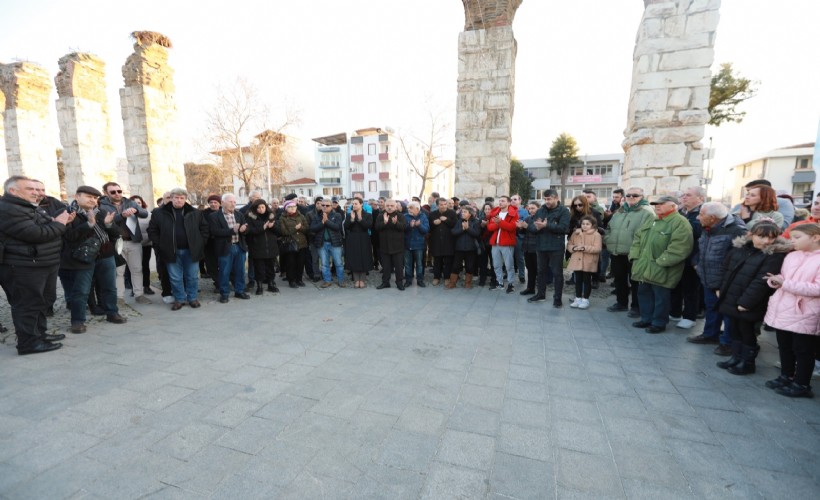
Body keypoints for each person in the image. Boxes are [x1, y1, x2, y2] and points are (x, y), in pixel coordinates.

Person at [0, 176, 71, 355]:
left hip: (40, 263)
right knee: (27, 305)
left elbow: (46, 227)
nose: (36, 193)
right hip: (23, 266)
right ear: (13, 191)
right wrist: (60, 223)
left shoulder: (27, 207)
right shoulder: (7, 209)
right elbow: (37, 234)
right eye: (30, 189)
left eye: (37, 189)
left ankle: (40, 335)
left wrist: (56, 223)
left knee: (40, 302)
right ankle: (28, 343)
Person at [716, 221, 789, 375]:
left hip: (750, 301)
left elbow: (761, 282)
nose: (766, 241)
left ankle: (747, 363)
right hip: (732, 296)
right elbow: (726, 268)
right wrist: (719, 288)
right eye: (761, 236)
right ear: (751, 234)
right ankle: (736, 357)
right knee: (734, 328)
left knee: (746, 331)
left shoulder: (774, 255)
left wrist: (746, 302)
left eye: (771, 237)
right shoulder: (740, 249)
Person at [59, 185, 126, 334]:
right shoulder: (68, 213)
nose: (92, 200)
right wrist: (88, 225)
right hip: (82, 259)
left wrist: (109, 224)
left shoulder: (101, 212)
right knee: (81, 291)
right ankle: (77, 321)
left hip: (106, 256)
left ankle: (112, 313)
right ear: (77, 197)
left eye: (95, 198)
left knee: (109, 287)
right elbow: (68, 238)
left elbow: (117, 234)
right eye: (89, 197)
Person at [762, 224, 819, 397]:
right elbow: (784, 278)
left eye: (797, 237)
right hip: (783, 308)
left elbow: (817, 288)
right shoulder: (792, 256)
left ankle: (802, 384)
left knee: (803, 350)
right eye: (791, 237)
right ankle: (786, 376)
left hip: (805, 311)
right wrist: (775, 281)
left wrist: (785, 284)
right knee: (785, 346)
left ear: (815, 237)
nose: (792, 241)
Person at [688, 202, 747, 354]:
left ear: (713, 218)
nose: (698, 218)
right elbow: (700, 248)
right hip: (708, 277)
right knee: (711, 308)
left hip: (726, 281)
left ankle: (727, 343)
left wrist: (726, 281)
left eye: (701, 214)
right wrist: (696, 263)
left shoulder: (736, 230)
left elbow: (739, 259)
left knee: (728, 313)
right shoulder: (707, 228)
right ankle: (710, 335)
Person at [628, 195, 693, 334]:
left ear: (673, 206)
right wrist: (635, 256)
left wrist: (660, 262)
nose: (657, 206)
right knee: (644, 293)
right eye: (656, 204)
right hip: (644, 265)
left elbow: (680, 248)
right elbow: (638, 238)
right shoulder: (653, 219)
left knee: (660, 297)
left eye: (661, 204)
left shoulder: (680, 222)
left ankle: (658, 322)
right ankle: (646, 318)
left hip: (662, 267)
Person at [147, 187, 210, 310]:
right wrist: (161, 245)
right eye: (176, 197)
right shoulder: (159, 213)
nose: (179, 200)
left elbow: (204, 229)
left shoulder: (195, 212)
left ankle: (192, 298)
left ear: (185, 199)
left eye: (182, 198)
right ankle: (179, 299)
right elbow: (152, 231)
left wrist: (200, 243)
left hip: (191, 251)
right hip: (171, 251)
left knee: (192, 276)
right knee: (175, 277)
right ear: (171, 198)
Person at [604, 187, 655, 315]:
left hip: (635, 254)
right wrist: (608, 239)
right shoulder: (620, 211)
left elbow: (647, 234)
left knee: (636, 282)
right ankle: (621, 303)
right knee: (619, 280)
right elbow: (609, 228)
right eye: (629, 195)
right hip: (617, 252)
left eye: (635, 195)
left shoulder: (647, 212)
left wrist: (638, 251)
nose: (631, 197)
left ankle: (636, 307)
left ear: (642, 197)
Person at [99, 182, 151, 305]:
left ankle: (139, 294)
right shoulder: (102, 206)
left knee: (137, 269)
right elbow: (106, 222)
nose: (117, 194)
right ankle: (119, 297)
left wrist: (136, 210)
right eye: (113, 192)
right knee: (118, 272)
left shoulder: (130, 202)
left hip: (133, 241)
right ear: (106, 193)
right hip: (116, 242)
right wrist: (121, 215)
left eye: (119, 191)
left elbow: (144, 213)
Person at [669, 186, 704, 329]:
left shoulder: (703, 212)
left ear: (700, 198)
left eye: (688, 195)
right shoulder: (682, 212)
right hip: (678, 255)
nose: (684, 197)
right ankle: (674, 312)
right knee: (675, 285)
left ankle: (690, 316)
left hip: (693, 256)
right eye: (683, 195)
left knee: (690, 288)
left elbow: (695, 232)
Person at [527, 190, 569, 306]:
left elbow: (564, 228)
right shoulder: (540, 210)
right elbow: (532, 227)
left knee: (557, 273)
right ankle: (540, 294)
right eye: (545, 199)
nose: (547, 202)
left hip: (556, 247)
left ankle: (557, 298)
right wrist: (537, 228)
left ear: (556, 198)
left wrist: (547, 225)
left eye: (549, 199)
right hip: (541, 246)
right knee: (541, 272)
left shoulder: (564, 211)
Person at [244, 198, 280, 295]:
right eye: (259, 207)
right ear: (255, 208)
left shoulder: (271, 216)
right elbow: (250, 231)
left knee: (270, 268)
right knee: (259, 268)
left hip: (270, 247)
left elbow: (279, 231)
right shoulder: (250, 217)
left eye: (263, 207)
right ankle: (259, 286)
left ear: (266, 207)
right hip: (257, 247)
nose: (261, 209)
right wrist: (262, 227)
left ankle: (271, 284)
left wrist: (273, 227)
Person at [567, 215, 602, 309]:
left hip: (588, 261)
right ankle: (578, 298)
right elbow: (570, 244)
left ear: (593, 225)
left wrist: (584, 248)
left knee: (586, 280)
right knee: (577, 280)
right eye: (583, 224)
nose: (585, 226)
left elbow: (597, 248)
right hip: (577, 260)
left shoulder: (596, 235)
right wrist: (573, 248)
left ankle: (585, 299)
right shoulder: (576, 233)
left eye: (587, 224)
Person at [487, 196, 520, 293]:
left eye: (503, 201)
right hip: (495, 243)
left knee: (509, 265)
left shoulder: (514, 214)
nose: (500, 202)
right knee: (496, 265)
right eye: (499, 201)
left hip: (507, 243)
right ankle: (499, 282)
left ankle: (511, 284)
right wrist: (499, 224)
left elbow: (511, 227)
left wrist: (500, 222)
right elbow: (489, 227)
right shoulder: (495, 213)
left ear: (509, 203)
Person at [310, 197, 345, 288]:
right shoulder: (317, 216)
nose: (325, 207)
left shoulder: (337, 215)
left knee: (338, 263)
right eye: (323, 205)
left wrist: (326, 221)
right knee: (325, 264)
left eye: (327, 205)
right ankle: (327, 280)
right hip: (322, 243)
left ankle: (341, 280)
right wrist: (322, 223)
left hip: (335, 243)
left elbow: (337, 227)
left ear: (331, 206)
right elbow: (312, 228)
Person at [375, 199, 406, 290]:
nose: (389, 207)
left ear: (396, 207)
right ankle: (385, 282)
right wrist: (384, 223)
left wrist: (396, 223)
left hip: (398, 246)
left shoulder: (400, 216)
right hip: (385, 246)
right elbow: (377, 228)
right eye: (388, 205)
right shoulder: (380, 216)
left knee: (399, 266)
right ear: (385, 206)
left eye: (392, 206)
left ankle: (399, 282)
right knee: (386, 267)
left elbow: (403, 228)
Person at [277, 200, 310, 288]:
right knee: (290, 263)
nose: (293, 209)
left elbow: (307, 228)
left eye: (294, 207)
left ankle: (299, 279)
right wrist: (295, 228)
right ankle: (291, 281)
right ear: (286, 208)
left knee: (300, 263)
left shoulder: (301, 216)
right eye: (290, 207)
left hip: (302, 243)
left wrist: (300, 228)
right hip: (290, 244)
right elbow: (283, 232)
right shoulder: (282, 218)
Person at [344, 197, 374, 288]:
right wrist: (352, 220)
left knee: (364, 258)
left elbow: (369, 226)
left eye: (356, 203)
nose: (354, 205)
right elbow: (346, 227)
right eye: (353, 204)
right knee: (355, 258)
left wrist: (360, 219)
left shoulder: (367, 215)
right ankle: (356, 280)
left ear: (361, 204)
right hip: (353, 238)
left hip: (364, 238)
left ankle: (362, 280)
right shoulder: (350, 215)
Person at [448, 205, 480, 289]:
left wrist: (468, 228)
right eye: (462, 212)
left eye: (465, 212)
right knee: (455, 266)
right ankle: (452, 283)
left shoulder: (476, 222)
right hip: (459, 248)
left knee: (469, 266)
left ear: (470, 213)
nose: (462, 213)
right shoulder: (459, 221)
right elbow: (453, 232)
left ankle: (468, 283)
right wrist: (462, 229)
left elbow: (477, 234)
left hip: (471, 248)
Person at [129, 195, 155, 296]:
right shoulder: (128, 215)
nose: (137, 205)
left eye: (139, 203)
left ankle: (146, 286)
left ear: (142, 203)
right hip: (132, 245)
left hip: (146, 245)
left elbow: (152, 229)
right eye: (134, 203)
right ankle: (134, 288)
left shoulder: (148, 215)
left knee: (145, 266)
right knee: (133, 267)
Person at [428, 198, 457, 286]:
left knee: (448, 261)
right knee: (437, 261)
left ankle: (447, 278)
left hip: (448, 241)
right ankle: (436, 277)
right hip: (436, 241)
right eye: (441, 204)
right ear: (437, 205)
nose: (443, 206)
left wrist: (446, 220)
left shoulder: (452, 213)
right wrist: (433, 223)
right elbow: (428, 227)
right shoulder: (432, 214)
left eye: (445, 204)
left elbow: (455, 225)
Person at [403, 200, 429, 288]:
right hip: (407, 244)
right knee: (407, 264)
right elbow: (402, 229)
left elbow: (426, 230)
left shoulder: (423, 216)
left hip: (419, 245)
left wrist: (419, 225)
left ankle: (420, 280)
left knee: (419, 264)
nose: (409, 210)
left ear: (417, 209)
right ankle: (408, 280)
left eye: (411, 208)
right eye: (408, 208)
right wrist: (409, 226)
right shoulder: (405, 216)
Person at [517, 201, 540, 295]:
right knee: (530, 269)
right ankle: (530, 288)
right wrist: (520, 228)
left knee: (539, 271)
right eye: (529, 208)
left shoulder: (541, 219)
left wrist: (527, 226)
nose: (530, 210)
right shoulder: (527, 218)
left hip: (537, 248)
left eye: (533, 208)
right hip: (527, 247)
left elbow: (536, 231)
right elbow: (522, 233)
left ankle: (541, 291)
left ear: (538, 208)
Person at [201, 195, 222, 291]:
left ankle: (224, 281)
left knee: (224, 264)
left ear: (219, 203)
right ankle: (217, 283)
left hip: (223, 243)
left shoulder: (224, 212)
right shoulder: (203, 214)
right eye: (211, 202)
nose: (213, 204)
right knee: (211, 265)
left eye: (215, 202)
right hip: (209, 244)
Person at [476, 202, 496, 287]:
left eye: (489, 209)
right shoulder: (481, 219)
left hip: (493, 243)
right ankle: (482, 280)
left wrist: (488, 225)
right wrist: (481, 226)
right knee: (483, 263)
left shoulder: (495, 218)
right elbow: (477, 233)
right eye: (485, 209)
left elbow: (495, 230)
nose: (487, 210)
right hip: (483, 244)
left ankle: (494, 280)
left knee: (493, 263)